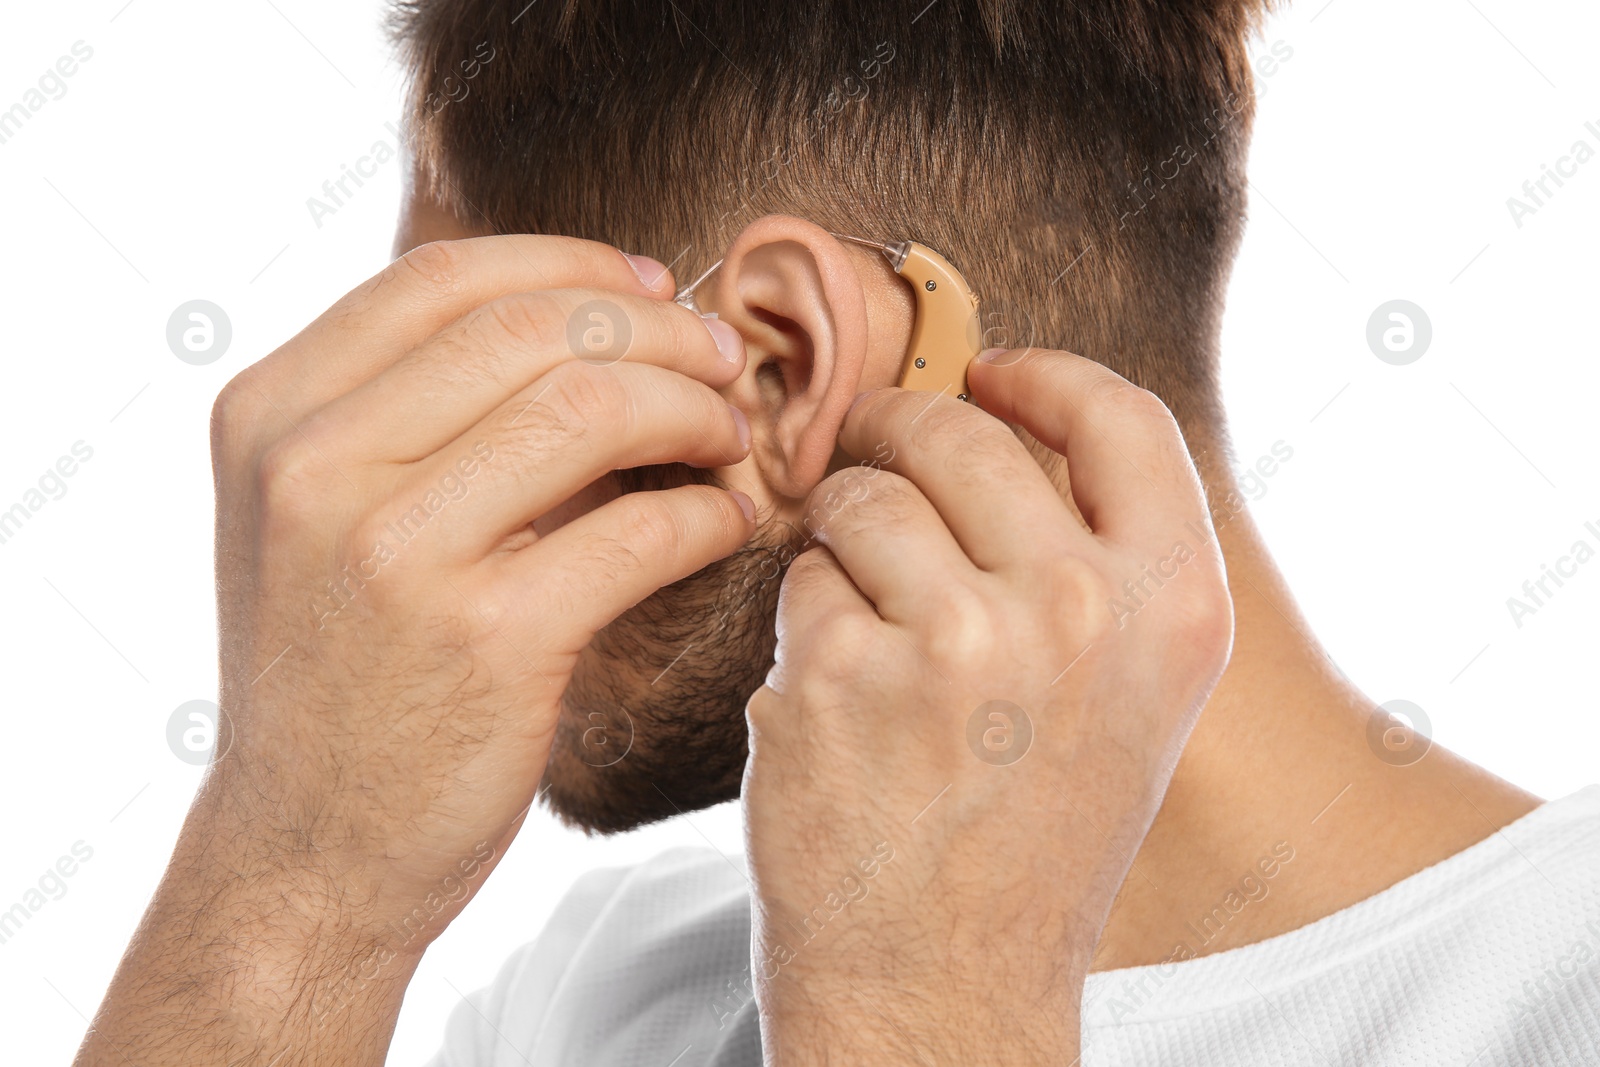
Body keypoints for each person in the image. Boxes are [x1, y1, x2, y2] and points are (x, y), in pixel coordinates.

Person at [78, 1, 1600, 1064]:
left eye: (466, 370)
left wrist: (918, 1007)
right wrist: (290, 885)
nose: (389, 522)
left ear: (781, 365)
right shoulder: (610, 994)